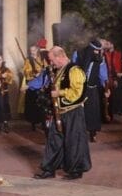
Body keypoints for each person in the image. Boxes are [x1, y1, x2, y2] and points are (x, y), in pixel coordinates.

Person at [34, 46, 91, 179]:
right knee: (54, 139)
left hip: (73, 112)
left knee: (74, 140)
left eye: (52, 60)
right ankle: (49, 169)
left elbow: (78, 93)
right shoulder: (58, 70)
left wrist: (59, 93)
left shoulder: (75, 70)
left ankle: (76, 170)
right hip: (58, 111)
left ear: (59, 57)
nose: (51, 63)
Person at [74, 38, 108, 141]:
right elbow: (73, 69)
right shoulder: (78, 54)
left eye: (98, 51)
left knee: (93, 111)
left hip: (92, 89)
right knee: (79, 110)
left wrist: (106, 88)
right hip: (79, 88)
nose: (97, 53)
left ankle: (92, 133)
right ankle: (78, 132)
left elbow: (103, 75)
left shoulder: (100, 59)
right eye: (95, 50)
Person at [20, 39, 49, 129]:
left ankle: (43, 122)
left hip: (42, 85)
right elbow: (26, 71)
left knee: (42, 105)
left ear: (37, 50)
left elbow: (46, 68)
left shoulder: (42, 58)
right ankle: (33, 123)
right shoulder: (28, 60)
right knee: (32, 104)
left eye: (34, 50)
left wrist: (41, 72)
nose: (32, 52)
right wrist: (33, 74)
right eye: (31, 50)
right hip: (32, 84)